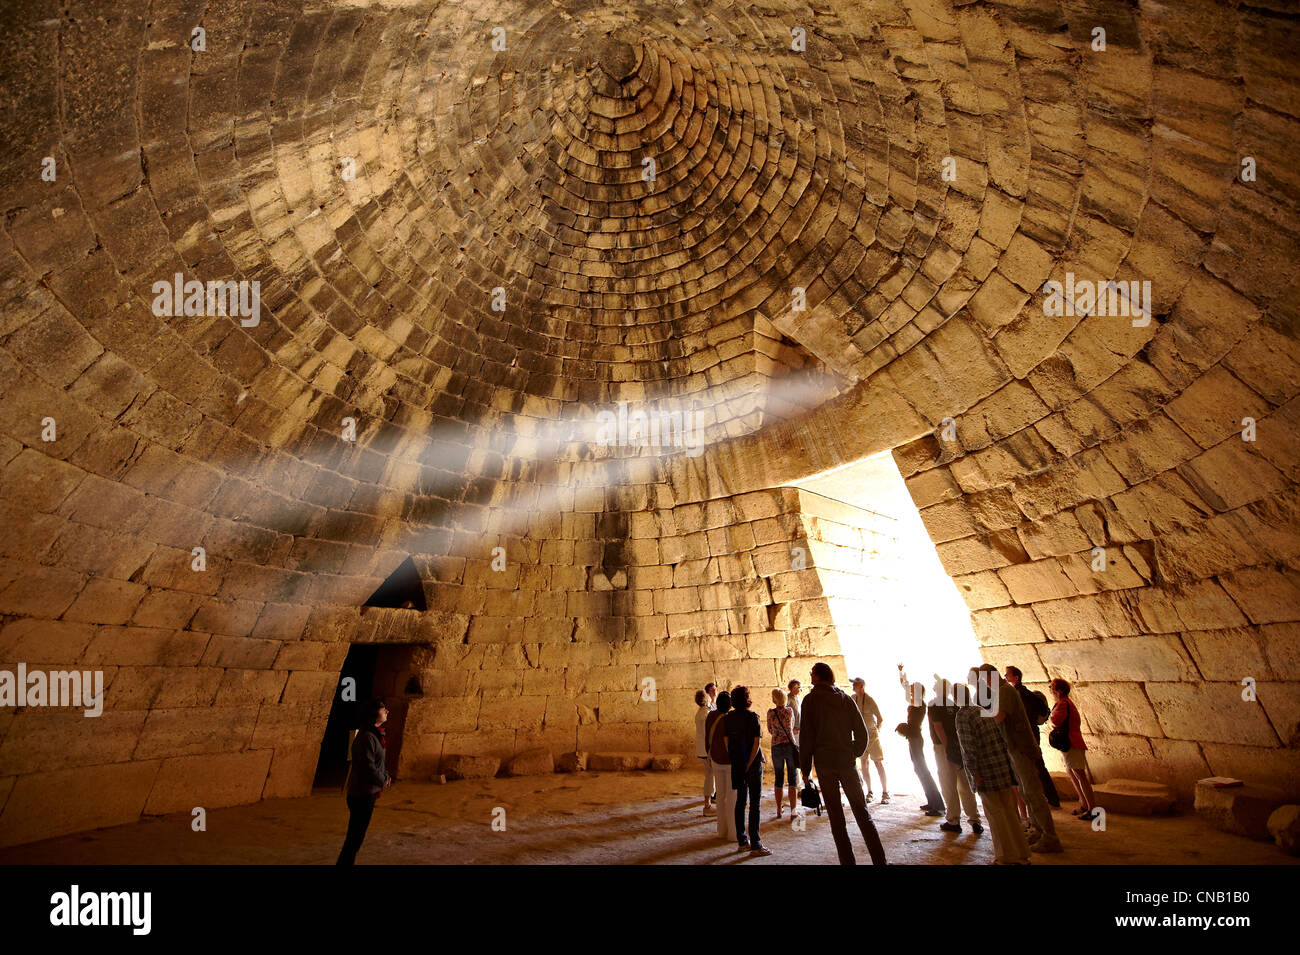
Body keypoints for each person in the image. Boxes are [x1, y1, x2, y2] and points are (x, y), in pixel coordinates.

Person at [798, 662, 888, 865]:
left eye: (812, 674)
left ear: (819, 677)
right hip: (846, 762)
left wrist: (805, 768)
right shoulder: (845, 699)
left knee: (836, 819)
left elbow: (806, 738)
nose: (811, 677)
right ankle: (879, 860)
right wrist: (852, 752)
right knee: (863, 814)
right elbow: (862, 733)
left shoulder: (810, 701)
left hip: (825, 764)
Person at [977, 665, 1062, 853]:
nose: (985, 685)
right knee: (1025, 792)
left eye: (985, 681)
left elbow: (999, 717)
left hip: (1021, 748)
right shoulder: (1001, 691)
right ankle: (1038, 829)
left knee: (1033, 792)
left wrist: (978, 721)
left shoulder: (1005, 691)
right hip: (1014, 748)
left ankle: (1050, 837)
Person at [954, 672, 1030, 865]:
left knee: (995, 815)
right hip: (1001, 769)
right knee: (1010, 813)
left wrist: (974, 773)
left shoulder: (963, 716)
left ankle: (1005, 857)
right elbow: (1000, 739)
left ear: (956, 699)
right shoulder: (982, 710)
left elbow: (968, 747)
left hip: (986, 772)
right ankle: (1022, 853)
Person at [337, 698, 391, 865]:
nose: (387, 711)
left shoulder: (374, 734)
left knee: (356, 835)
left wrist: (385, 775)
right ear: (374, 714)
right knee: (355, 837)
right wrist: (383, 780)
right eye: (383, 709)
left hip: (368, 792)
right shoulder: (367, 737)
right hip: (362, 794)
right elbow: (367, 767)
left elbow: (377, 762)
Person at [929, 678, 982, 835]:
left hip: (944, 747)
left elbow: (938, 727)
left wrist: (947, 748)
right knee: (965, 784)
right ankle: (975, 820)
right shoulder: (952, 704)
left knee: (948, 784)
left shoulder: (934, 704)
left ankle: (953, 820)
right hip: (959, 747)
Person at [1004, 666, 1060, 807]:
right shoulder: (1021, 692)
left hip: (1028, 734)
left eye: (1008, 674)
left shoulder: (1020, 693)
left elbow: (1025, 716)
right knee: (1038, 765)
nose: (1005, 676)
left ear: (1016, 677)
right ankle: (1050, 798)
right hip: (1031, 732)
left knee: (1037, 766)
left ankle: (1051, 799)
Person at [726, 685, 770, 855]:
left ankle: (742, 841)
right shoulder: (753, 717)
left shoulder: (728, 718)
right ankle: (756, 844)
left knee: (740, 802)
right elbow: (756, 743)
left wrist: (736, 760)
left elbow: (727, 741)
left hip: (737, 764)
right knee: (755, 804)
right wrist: (749, 763)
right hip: (752, 766)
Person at [1049, 678, 1098, 821]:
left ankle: (1093, 809)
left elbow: (1055, 720)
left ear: (1059, 690)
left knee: (1080, 775)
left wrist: (1051, 716)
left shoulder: (1063, 704)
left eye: (1052, 687)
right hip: (1070, 742)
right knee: (1072, 772)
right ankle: (1084, 804)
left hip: (1071, 742)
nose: (1051, 689)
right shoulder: (1065, 703)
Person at [897, 668, 944, 816]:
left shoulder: (918, 702)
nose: (910, 691)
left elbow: (906, 693)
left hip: (916, 738)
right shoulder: (917, 702)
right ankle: (932, 801)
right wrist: (902, 676)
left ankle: (937, 805)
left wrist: (904, 680)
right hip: (913, 738)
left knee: (923, 771)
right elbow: (905, 690)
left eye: (912, 689)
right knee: (920, 770)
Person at [850, 677, 889, 804]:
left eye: (855, 684)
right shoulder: (852, 699)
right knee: (864, 763)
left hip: (872, 736)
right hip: (860, 736)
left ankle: (885, 792)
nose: (853, 686)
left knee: (878, 763)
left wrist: (876, 730)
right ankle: (869, 791)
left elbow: (880, 718)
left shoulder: (870, 700)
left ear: (861, 686)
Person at [706, 691, 737, 842]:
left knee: (720, 796)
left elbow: (707, 736)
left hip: (716, 759)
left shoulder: (711, 715)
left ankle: (722, 831)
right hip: (730, 762)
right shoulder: (730, 718)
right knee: (732, 797)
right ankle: (733, 833)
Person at [767, 688, 799, 817]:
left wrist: (777, 734)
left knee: (778, 778)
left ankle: (779, 810)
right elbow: (791, 727)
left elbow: (769, 729)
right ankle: (793, 811)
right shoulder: (789, 711)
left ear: (775, 699)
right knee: (792, 778)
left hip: (776, 745)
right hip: (789, 745)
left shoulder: (770, 713)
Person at [695, 689, 716, 816]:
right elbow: (709, 733)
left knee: (710, 775)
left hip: (703, 749)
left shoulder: (699, 713)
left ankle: (708, 803)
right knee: (710, 776)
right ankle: (707, 805)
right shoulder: (706, 714)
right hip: (708, 750)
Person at [787, 679, 803, 745]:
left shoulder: (798, 698)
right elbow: (786, 715)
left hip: (800, 728)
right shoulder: (788, 699)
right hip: (794, 730)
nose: (799, 689)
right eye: (797, 687)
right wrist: (792, 728)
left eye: (799, 687)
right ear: (792, 688)